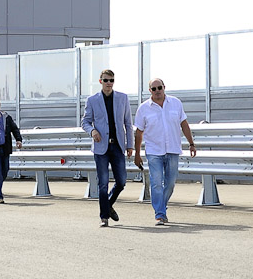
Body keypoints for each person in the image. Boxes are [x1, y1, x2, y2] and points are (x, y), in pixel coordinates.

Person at [133, 78, 197, 225]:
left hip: (173, 149)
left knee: (171, 182)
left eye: (159, 88)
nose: (157, 91)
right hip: (154, 151)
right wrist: (137, 154)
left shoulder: (176, 103)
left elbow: (184, 124)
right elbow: (139, 132)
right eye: (154, 89)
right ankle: (160, 214)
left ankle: (161, 205)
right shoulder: (143, 108)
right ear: (150, 90)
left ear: (164, 87)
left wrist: (191, 144)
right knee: (156, 182)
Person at [82, 69, 134, 227]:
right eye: (106, 80)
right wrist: (92, 131)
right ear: (100, 81)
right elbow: (85, 122)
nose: (109, 83)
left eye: (111, 80)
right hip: (101, 147)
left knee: (121, 181)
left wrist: (130, 145)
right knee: (103, 183)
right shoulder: (92, 100)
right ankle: (104, 217)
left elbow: (128, 123)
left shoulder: (123, 98)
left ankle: (108, 205)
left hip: (117, 145)